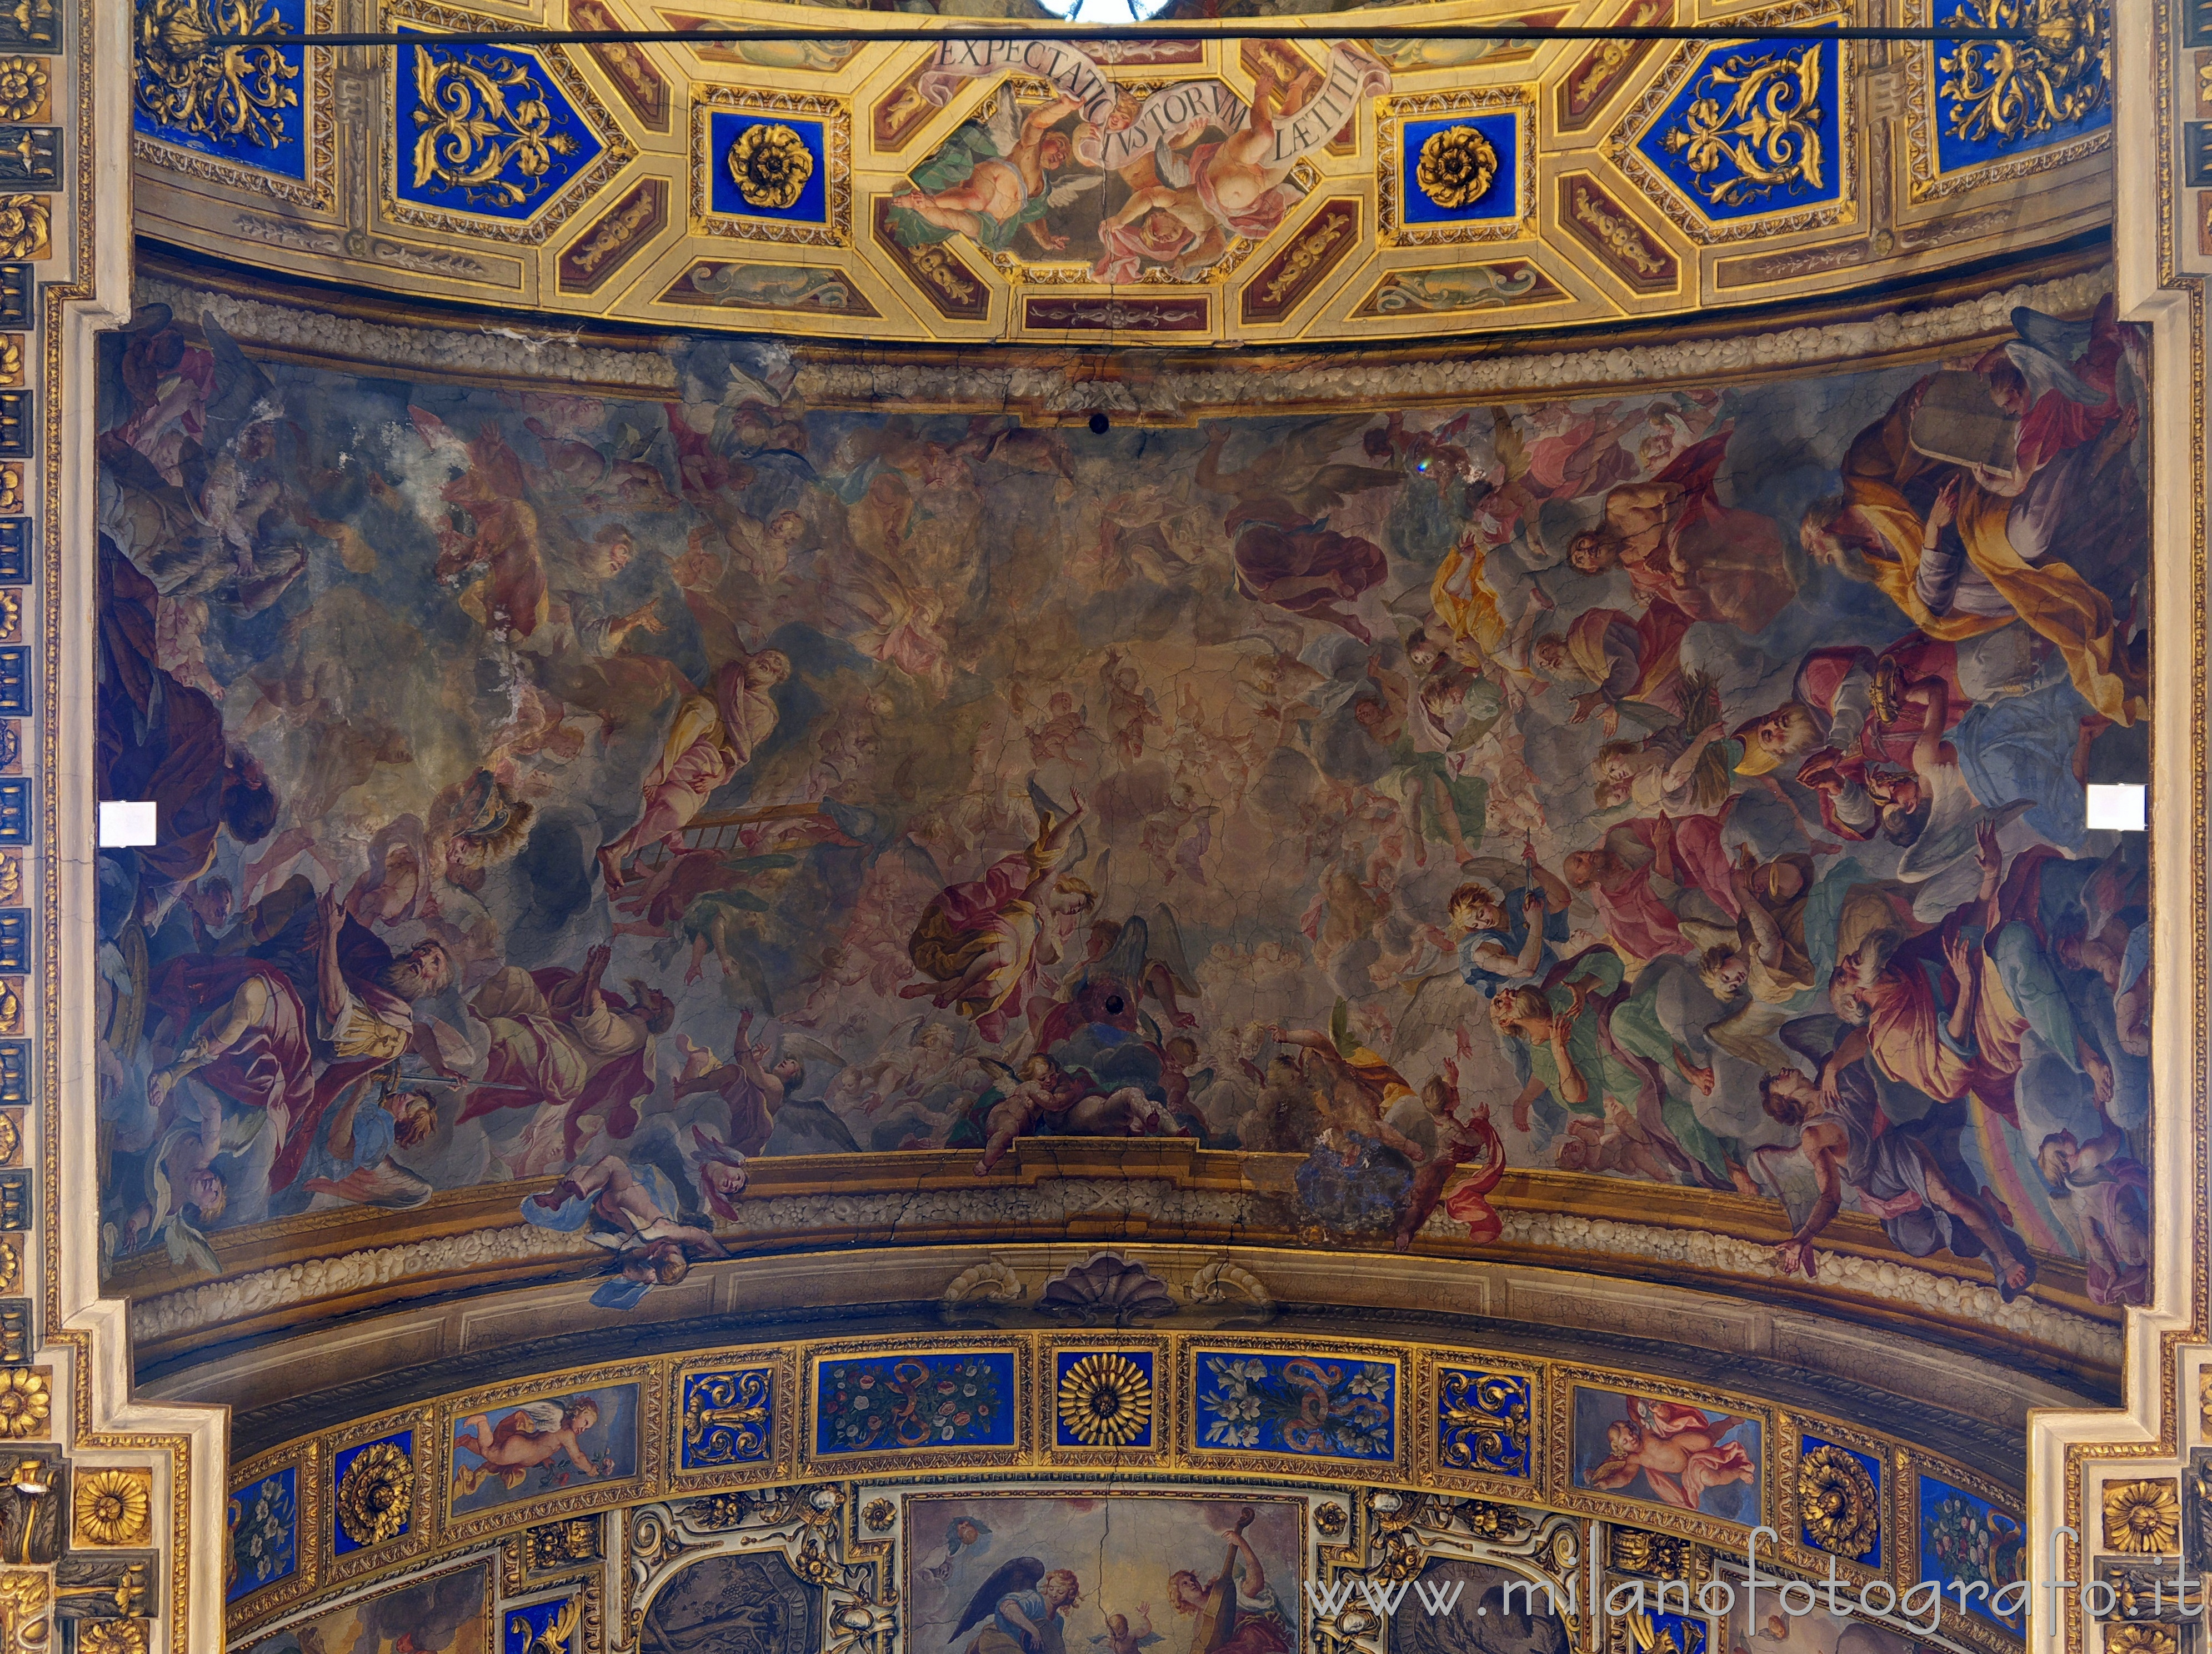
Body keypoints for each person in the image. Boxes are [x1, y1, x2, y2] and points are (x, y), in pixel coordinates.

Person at [1758, 1063, 2034, 1299]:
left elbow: (1861, 1036)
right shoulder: (1814, 1136)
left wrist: (1834, 1065)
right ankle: (1982, 1207)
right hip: (1882, 1187)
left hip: (1897, 1151)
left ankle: (2005, 1258)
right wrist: (1803, 1238)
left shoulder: (1835, 1077)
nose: (1780, 1073)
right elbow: (1831, 1196)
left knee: (1950, 1200)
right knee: (1921, 1242)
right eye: (1775, 1082)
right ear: (1783, 1100)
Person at [904, 796, 1095, 1045]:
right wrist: (1078, 816)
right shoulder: (1046, 883)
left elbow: (1044, 955)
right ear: (1070, 888)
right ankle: (954, 990)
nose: (1075, 910)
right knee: (1000, 955)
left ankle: (931, 990)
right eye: (1079, 902)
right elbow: (1053, 846)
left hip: (1021, 954)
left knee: (990, 990)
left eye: (1079, 911)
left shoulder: (1055, 925)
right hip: (1007, 927)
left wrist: (1048, 926)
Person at [598, 646, 790, 892]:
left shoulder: (766, 713)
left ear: (777, 677)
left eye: (777, 665)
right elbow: (695, 690)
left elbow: (740, 750)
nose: (770, 662)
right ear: (752, 658)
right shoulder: (731, 674)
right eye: (768, 657)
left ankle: (617, 850)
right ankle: (661, 771)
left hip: (710, 759)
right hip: (697, 721)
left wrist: (719, 775)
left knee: (678, 812)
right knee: (701, 710)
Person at [452, 1397, 614, 1497]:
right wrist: (590, 1469)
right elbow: (578, 1458)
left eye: (588, 1428)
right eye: (585, 1423)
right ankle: (482, 1423)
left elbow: (544, 1443)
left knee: (490, 1454)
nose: (584, 1429)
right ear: (578, 1413)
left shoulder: (562, 1422)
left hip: (523, 1444)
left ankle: (465, 1441)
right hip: (521, 1448)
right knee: (489, 1453)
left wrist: (545, 1459)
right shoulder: (567, 1434)